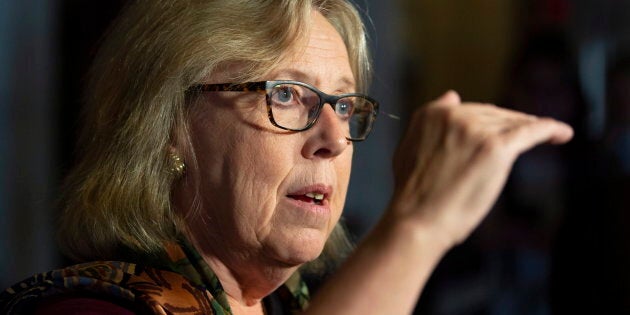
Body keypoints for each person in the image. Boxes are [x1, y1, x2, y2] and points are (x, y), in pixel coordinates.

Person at [0, 0, 573, 314]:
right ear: (169, 125)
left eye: (344, 105)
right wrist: (417, 227)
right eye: (286, 95)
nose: (334, 137)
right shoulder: (86, 314)